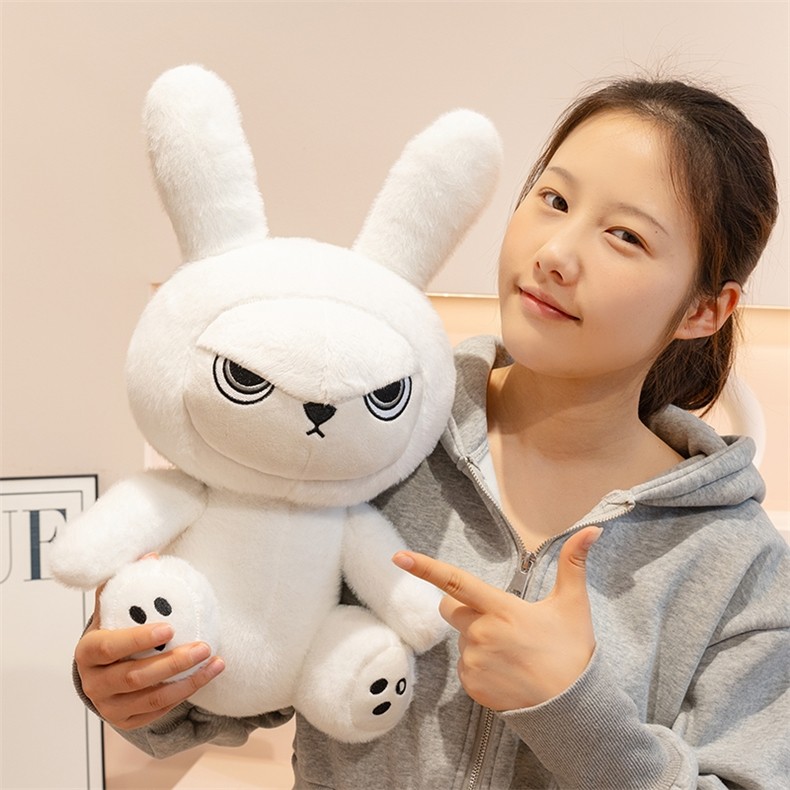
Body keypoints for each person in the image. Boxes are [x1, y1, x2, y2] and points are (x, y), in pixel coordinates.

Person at [72, 78, 788, 788]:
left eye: (625, 236)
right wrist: (140, 682)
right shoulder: (376, 437)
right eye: (554, 200)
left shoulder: (739, 563)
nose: (556, 254)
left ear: (705, 309)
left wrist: (576, 714)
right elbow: (247, 663)